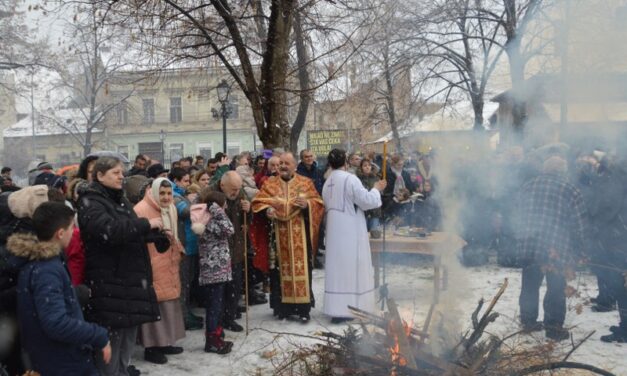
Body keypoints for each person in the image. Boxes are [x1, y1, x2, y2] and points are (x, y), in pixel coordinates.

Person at [77, 157, 163, 375]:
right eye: (115, 172)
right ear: (99, 175)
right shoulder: (91, 201)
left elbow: (128, 230)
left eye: (121, 172)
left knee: (125, 350)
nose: (121, 176)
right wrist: (145, 224)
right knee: (110, 355)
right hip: (110, 284)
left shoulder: (120, 200)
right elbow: (110, 231)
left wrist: (154, 235)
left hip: (130, 284)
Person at [8, 202, 111, 375]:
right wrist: (98, 335)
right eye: (71, 227)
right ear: (60, 233)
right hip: (61, 362)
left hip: (53, 358)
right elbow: (55, 323)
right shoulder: (47, 270)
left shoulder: (42, 263)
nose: (73, 232)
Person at [514, 155, 588, 341]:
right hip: (557, 248)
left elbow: (517, 214)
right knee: (556, 288)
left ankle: (528, 322)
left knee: (530, 286)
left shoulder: (528, 186)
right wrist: (580, 249)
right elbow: (579, 225)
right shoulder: (571, 190)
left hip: (529, 245)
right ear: (563, 171)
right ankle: (553, 328)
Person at [252, 153, 324, 322]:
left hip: (301, 235)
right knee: (278, 271)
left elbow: (318, 203)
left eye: (286, 163)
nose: (283, 166)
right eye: (281, 163)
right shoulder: (270, 183)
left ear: (294, 166)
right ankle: (282, 308)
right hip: (278, 234)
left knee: (303, 270)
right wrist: (266, 210)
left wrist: (307, 205)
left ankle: (303, 309)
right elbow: (258, 201)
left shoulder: (305, 183)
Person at [322, 149, 386, 323]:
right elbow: (366, 201)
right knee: (351, 269)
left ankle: (336, 308)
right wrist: (376, 189)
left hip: (334, 231)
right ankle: (349, 308)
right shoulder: (350, 179)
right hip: (350, 231)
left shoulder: (327, 182)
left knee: (338, 270)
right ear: (346, 162)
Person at [134, 178, 186, 364]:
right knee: (154, 306)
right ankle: (151, 348)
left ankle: (165, 342)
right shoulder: (141, 209)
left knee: (169, 304)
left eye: (169, 193)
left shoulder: (170, 208)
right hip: (152, 263)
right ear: (154, 191)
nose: (165, 197)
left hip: (169, 261)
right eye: (162, 193)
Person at [208, 171, 251, 331]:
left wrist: (249, 209)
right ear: (222, 185)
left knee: (235, 286)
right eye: (233, 189)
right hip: (218, 252)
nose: (236, 192)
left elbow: (245, 221)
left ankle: (230, 318)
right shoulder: (210, 195)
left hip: (237, 248)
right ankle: (217, 322)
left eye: (239, 188)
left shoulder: (240, 194)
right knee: (219, 292)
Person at [197, 190, 235, 354]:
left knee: (217, 306)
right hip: (213, 271)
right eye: (223, 203)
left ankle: (217, 337)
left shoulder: (210, 218)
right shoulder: (210, 219)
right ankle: (212, 340)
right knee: (214, 307)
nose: (226, 206)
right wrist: (217, 210)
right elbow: (229, 229)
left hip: (218, 270)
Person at [169, 167, 203, 330]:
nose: (188, 183)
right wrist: (198, 201)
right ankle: (182, 317)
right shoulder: (174, 196)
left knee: (188, 282)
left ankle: (186, 312)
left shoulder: (181, 194)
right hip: (184, 246)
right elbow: (186, 211)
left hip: (190, 243)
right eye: (185, 180)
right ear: (176, 181)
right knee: (183, 283)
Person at [357, 158, 383, 236]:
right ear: (361, 167)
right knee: (363, 235)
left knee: (374, 234)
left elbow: (379, 193)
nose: (367, 167)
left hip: (375, 211)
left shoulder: (376, 178)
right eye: (365, 165)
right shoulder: (357, 179)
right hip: (363, 212)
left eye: (369, 165)